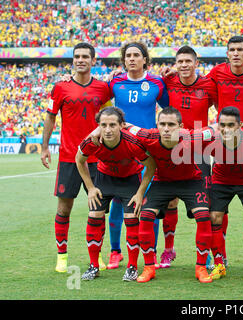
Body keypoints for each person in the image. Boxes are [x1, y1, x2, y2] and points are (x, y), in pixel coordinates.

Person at [40, 42, 111, 273]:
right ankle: (62, 257)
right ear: (73, 60)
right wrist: (44, 148)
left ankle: (96, 256)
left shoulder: (103, 88)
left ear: (93, 61)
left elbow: (110, 117)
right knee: (64, 208)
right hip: (69, 158)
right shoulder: (60, 87)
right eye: (77, 56)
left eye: (85, 57)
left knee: (98, 210)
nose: (80, 60)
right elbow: (50, 118)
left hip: (96, 159)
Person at [126, 107, 214, 283]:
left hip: (191, 181)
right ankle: (149, 267)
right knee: (146, 216)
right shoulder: (147, 135)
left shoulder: (192, 137)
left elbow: (214, 129)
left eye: (171, 125)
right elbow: (126, 126)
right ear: (156, 125)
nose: (166, 128)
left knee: (204, 216)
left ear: (180, 126)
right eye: (162, 124)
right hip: (163, 181)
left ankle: (201, 267)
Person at [106, 41, 169, 270]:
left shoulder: (156, 83)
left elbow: (169, 108)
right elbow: (96, 96)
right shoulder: (114, 82)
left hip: (147, 150)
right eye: (128, 55)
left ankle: (149, 252)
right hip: (121, 151)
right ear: (124, 60)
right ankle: (115, 251)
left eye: (136, 55)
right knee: (116, 201)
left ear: (145, 59)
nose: (132, 59)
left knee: (147, 203)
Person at [75, 107, 156, 281]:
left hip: (129, 180)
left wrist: (140, 192)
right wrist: (90, 188)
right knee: (94, 215)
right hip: (104, 179)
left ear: (121, 125)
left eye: (112, 125)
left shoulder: (132, 142)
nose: (108, 129)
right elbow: (79, 160)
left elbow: (151, 165)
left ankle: (132, 267)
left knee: (131, 219)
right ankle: (93, 266)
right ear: (99, 126)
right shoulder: (92, 141)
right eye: (103, 125)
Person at [159, 45, 217, 268]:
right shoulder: (168, 81)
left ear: (196, 63)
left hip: (200, 151)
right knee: (170, 200)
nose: (183, 65)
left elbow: (220, 107)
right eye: (180, 61)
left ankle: (209, 253)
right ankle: (168, 250)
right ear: (176, 64)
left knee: (203, 205)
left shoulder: (208, 84)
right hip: (173, 150)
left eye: (187, 61)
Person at [206, 106, 243, 282]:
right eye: (222, 125)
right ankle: (219, 264)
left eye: (231, 125)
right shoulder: (212, 139)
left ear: (239, 125)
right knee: (214, 217)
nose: (226, 129)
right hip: (222, 180)